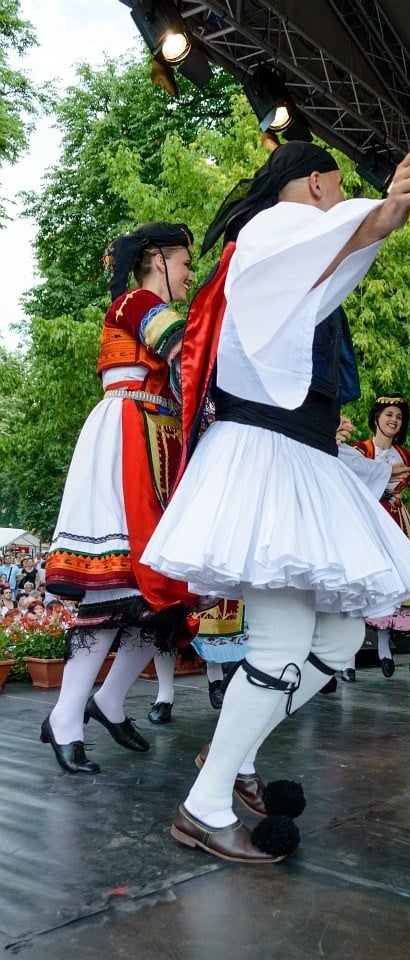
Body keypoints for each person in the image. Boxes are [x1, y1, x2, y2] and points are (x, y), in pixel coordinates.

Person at [142, 141, 410, 863]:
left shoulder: (293, 246)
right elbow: (345, 235)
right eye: (336, 186)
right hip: (270, 459)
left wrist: (379, 217)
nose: (339, 197)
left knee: (339, 641)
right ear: (315, 185)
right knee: (282, 646)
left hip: (300, 459)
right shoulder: (275, 230)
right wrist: (389, 208)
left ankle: (231, 759)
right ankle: (206, 803)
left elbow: (336, 254)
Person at [42, 222, 198, 774]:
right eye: (183, 263)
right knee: (114, 589)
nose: (188, 274)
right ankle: (65, 715)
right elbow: (182, 349)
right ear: (156, 259)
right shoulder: (137, 301)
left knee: (164, 599)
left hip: (157, 440)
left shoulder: (152, 308)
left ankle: (106, 701)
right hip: (129, 439)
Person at [340, 396, 410, 681]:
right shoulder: (359, 450)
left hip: (396, 521)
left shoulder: (406, 456)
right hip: (366, 520)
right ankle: (348, 661)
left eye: (398, 416)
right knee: (360, 585)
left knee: (391, 585)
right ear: (376, 418)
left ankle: (385, 650)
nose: (393, 420)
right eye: (388, 414)